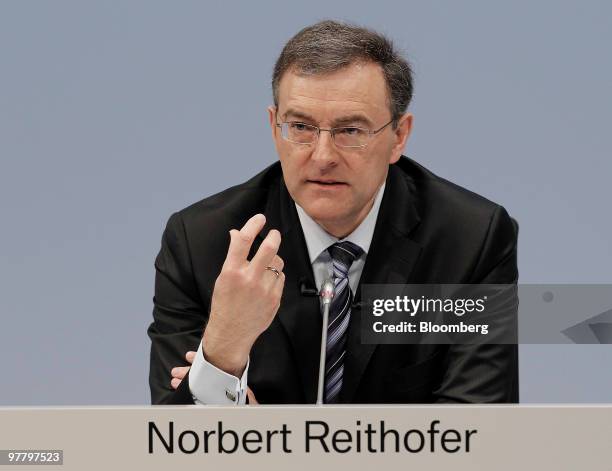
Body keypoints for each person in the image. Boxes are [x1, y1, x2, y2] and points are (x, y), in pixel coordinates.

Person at [147, 20, 519, 405]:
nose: (322, 157)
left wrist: (269, 442)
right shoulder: (200, 243)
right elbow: (172, 437)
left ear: (399, 137)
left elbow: (478, 431)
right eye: (301, 127)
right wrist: (223, 350)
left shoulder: (471, 239)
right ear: (275, 129)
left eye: (351, 131)